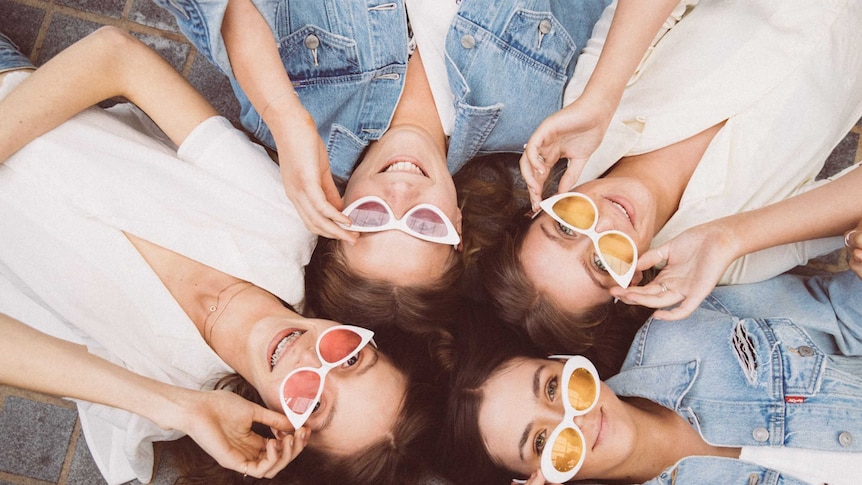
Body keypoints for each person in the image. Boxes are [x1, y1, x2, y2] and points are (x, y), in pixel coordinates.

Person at [0, 28, 440, 485]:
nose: (310, 360)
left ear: (283, 430)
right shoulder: (281, 223)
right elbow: (116, 56)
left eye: (312, 401)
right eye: (349, 358)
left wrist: (180, 408)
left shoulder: (164, 391)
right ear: (361, 333)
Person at [482, 0, 862, 358]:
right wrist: (730, 237)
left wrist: (601, 96)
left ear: (538, 208)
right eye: (603, 262)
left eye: (567, 226)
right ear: (629, 288)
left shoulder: (588, 109)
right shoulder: (731, 257)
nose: (603, 224)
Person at [442, 267, 862, 485]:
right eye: (542, 442)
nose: (577, 420)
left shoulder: (684, 326)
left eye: (553, 387)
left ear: (565, 359)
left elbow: (841, 313)